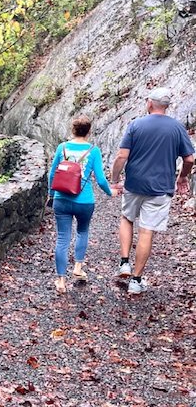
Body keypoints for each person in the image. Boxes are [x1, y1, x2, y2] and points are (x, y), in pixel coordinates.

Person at [110, 87, 195, 295]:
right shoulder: (177, 128)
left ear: (149, 103)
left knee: (127, 218)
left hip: (134, 184)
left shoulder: (136, 125)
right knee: (147, 230)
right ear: (166, 106)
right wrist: (182, 176)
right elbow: (190, 158)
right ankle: (136, 281)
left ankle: (124, 263)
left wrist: (114, 180)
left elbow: (121, 156)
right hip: (160, 187)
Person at [48, 115, 113, 293]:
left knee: (62, 238)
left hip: (61, 199)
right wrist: (110, 192)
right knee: (82, 231)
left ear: (72, 129)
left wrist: (51, 194)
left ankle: (61, 281)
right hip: (84, 201)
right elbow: (100, 179)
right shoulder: (94, 150)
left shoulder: (62, 148)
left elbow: (52, 174)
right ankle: (77, 267)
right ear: (89, 131)